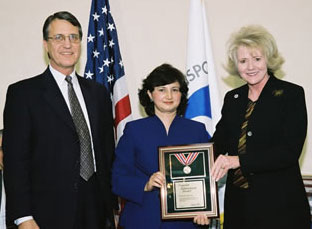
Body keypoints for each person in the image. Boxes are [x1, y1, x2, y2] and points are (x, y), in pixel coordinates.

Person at [3, 11, 116, 229]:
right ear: (46, 44)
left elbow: (106, 151)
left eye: (74, 37)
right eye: (59, 38)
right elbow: (15, 162)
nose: (68, 44)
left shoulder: (98, 93)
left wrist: (111, 206)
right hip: (47, 213)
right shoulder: (23, 94)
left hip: (96, 208)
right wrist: (23, 217)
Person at [210, 25, 311, 228]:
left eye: (257, 59)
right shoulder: (233, 98)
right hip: (238, 207)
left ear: (269, 60)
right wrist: (184, 168)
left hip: (279, 208)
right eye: (243, 61)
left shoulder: (291, 94)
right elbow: (217, 144)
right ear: (235, 65)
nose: (250, 67)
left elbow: (289, 152)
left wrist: (239, 161)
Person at [112, 64, 209, 228]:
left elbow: (207, 177)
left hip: (185, 223)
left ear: (182, 94)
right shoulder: (134, 130)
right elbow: (118, 180)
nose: (169, 95)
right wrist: (146, 184)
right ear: (150, 94)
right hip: (143, 219)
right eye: (162, 89)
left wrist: (204, 207)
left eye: (175, 89)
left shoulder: (197, 131)